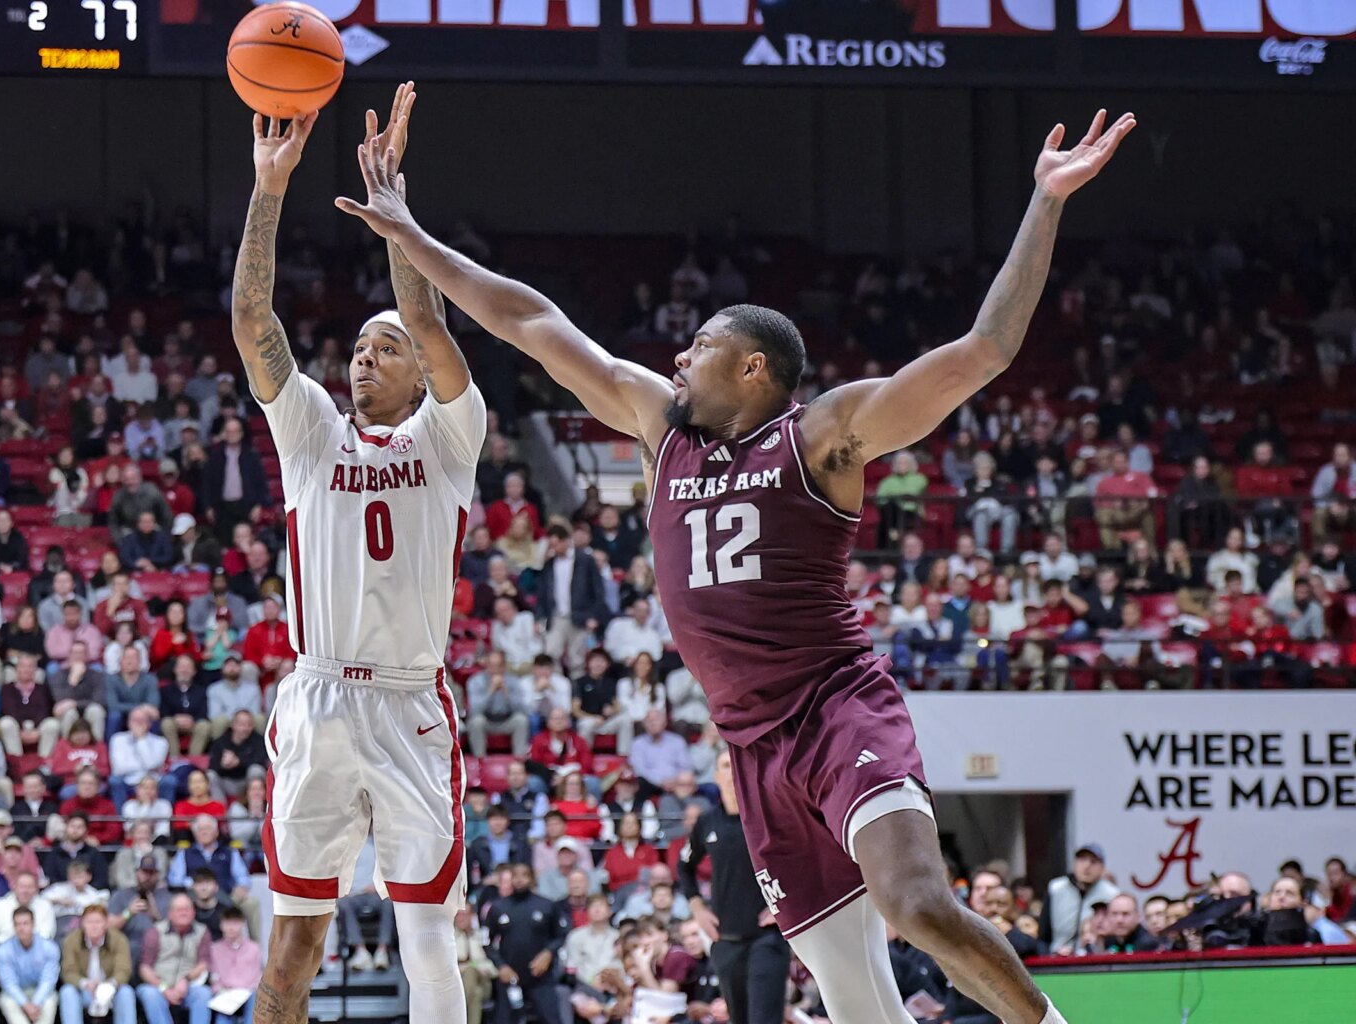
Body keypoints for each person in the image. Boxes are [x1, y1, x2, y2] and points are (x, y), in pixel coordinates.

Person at [345, 86, 1133, 1024]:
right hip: (751, 748)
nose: (679, 358)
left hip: (837, 710)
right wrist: (409, 234)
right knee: (849, 990)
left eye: (701, 345)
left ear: (753, 367)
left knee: (917, 906)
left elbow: (985, 349)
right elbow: (529, 322)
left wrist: (1045, 200)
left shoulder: (824, 434)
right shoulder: (660, 426)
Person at [233, 86, 478, 1024]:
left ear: (419, 373)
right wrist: (270, 189)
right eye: (360, 347)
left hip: (410, 702)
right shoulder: (311, 431)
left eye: (387, 348)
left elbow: (433, 325)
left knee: (428, 938)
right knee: (293, 948)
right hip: (321, 696)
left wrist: (394, 217)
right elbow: (252, 320)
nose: (365, 358)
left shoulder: (448, 437)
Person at [678, 749, 787, 1024]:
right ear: (716, 775)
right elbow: (684, 866)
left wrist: (787, 905)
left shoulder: (771, 816)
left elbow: (806, 859)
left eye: (737, 763)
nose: (732, 770)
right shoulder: (707, 822)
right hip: (725, 941)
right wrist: (697, 907)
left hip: (767, 939)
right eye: (726, 765)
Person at [479, 863, 568, 1024]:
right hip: (510, 977)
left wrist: (548, 953)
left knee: (552, 1019)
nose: (519, 880)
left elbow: (561, 935)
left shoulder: (547, 905)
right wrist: (500, 966)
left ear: (532, 879)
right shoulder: (497, 907)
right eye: (515, 876)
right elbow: (485, 941)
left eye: (524, 875)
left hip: (540, 977)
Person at [136, 895, 212, 1024]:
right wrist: (164, 988)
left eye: (187, 909)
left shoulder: (202, 931)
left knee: (204, 993)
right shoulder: (155, 931)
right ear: (170, 913)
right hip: (159, 985)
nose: (184, 913)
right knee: (149, 994)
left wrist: (186, 980)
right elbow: (144, 968)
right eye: (179, 910)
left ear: (193, 912)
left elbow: (203, 963)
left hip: (188, 986)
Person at [60, 903, 135, 1023]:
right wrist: (85, 984)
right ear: (82, 923)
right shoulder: (71, 940)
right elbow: (68, 972)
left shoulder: (119, 940)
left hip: (110, 989)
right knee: (67, 991)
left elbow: (123, 970)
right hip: (84, 990)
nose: (94, 926)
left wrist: (110, 985)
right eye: (89, 922)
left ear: (106, 923)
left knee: (126, 992)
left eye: (98, 922)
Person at [0, 907, 60, 1024]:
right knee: (5, 1001)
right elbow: (9, 983)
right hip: (17, 992)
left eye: (25, 923)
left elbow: (48, 980)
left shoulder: (49, 947)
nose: (21, 928)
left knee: (50, 1001)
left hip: (41, 990)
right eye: (17, 924)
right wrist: (25, 1004)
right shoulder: (3, 950)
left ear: (33, 924)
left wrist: (36, 1003)